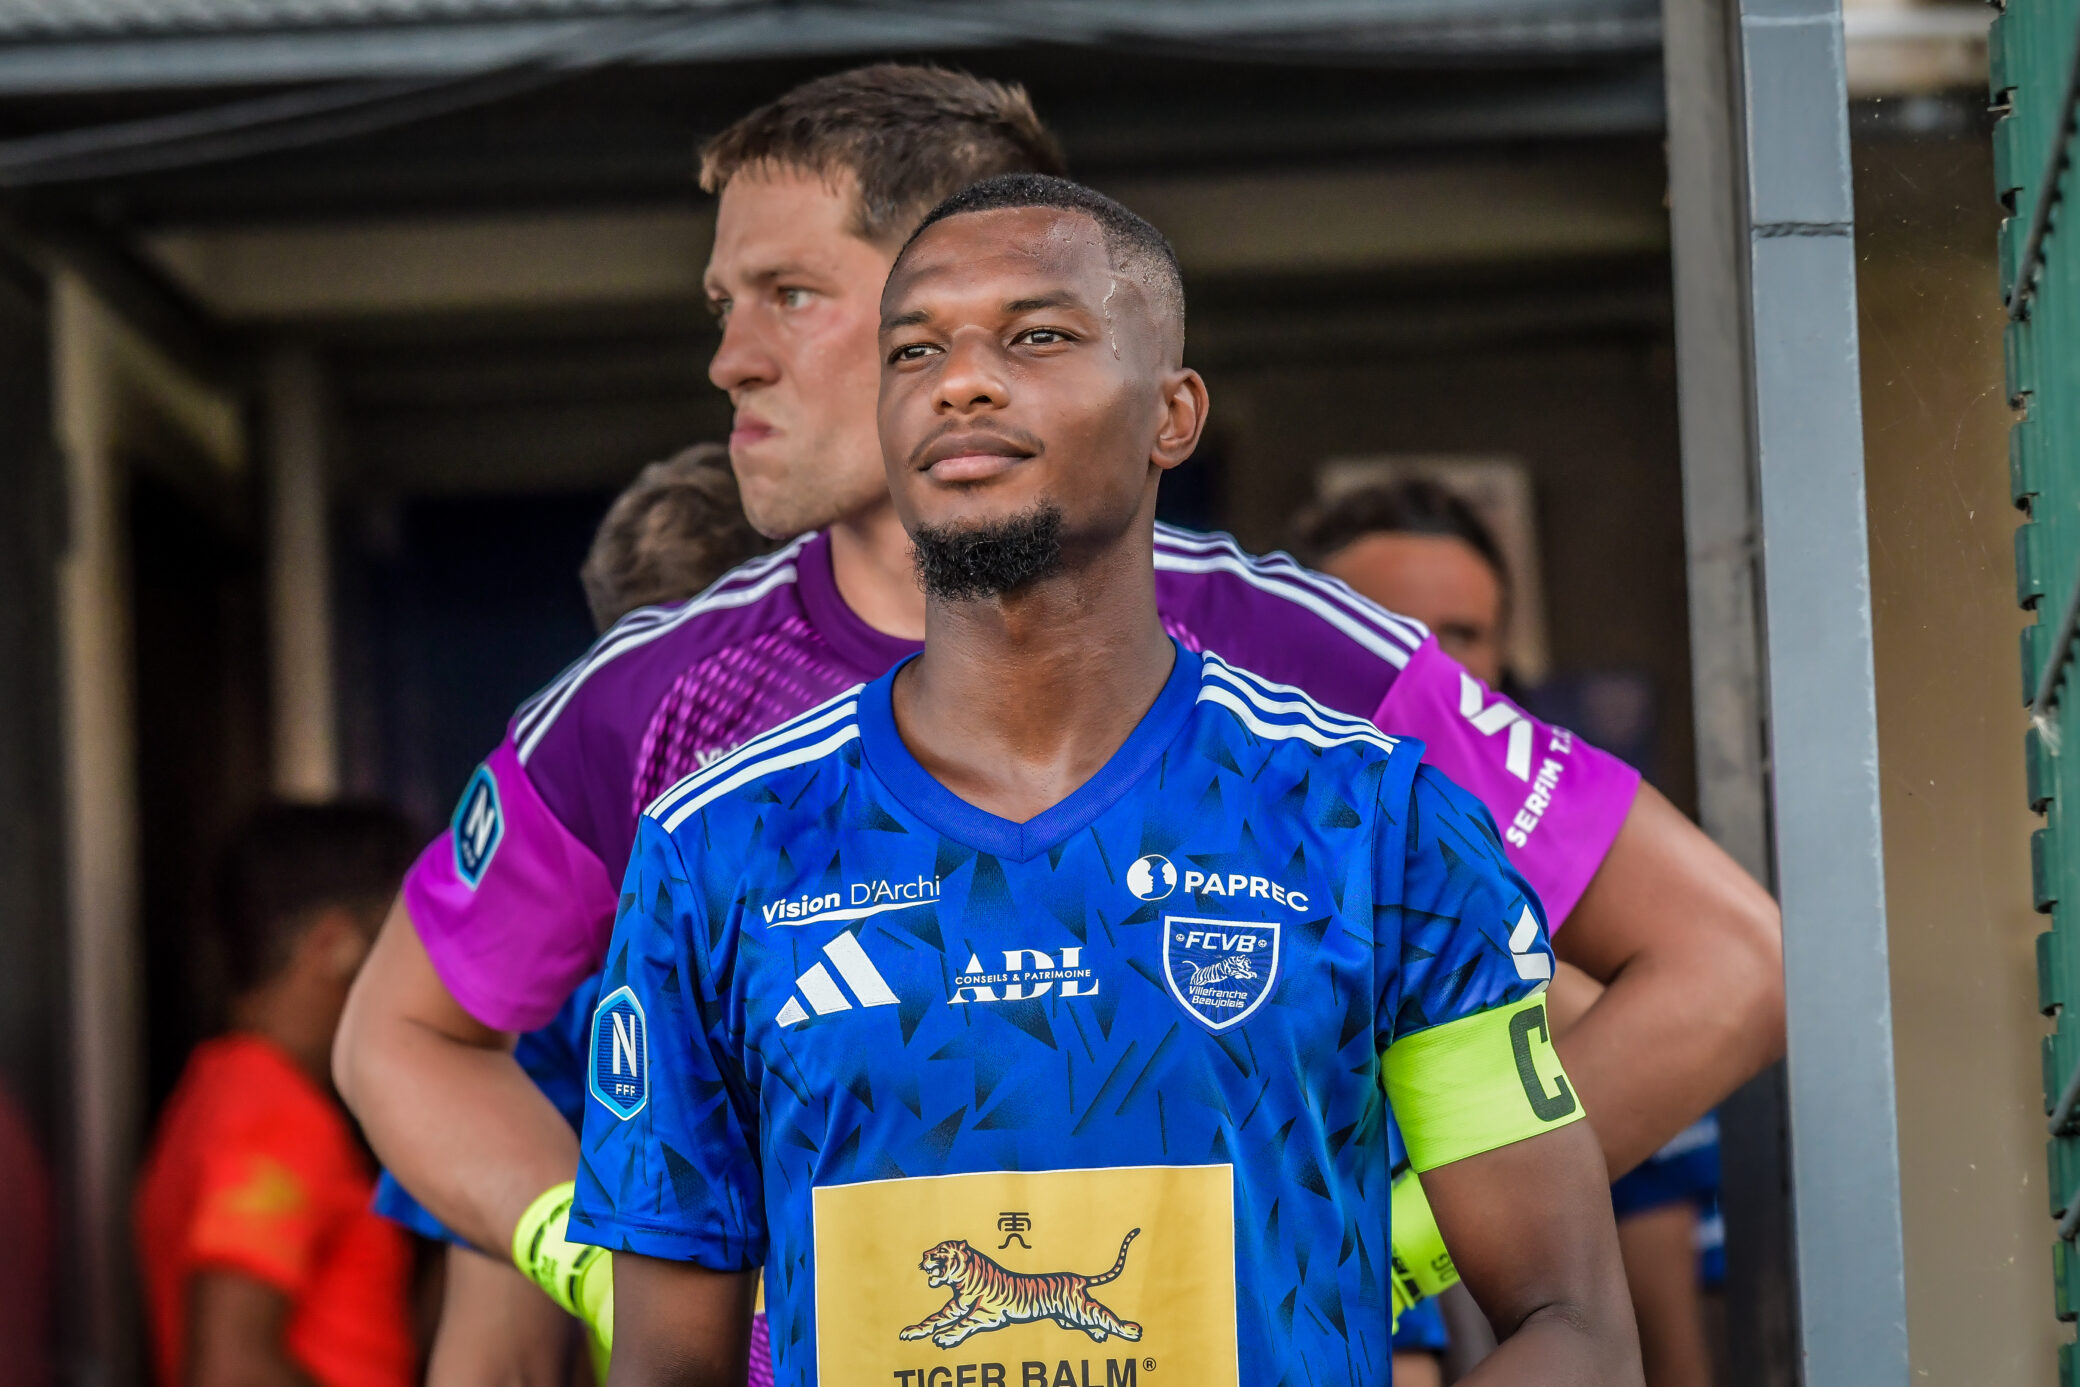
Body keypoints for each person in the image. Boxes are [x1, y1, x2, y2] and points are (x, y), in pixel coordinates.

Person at [335, 63, 1782, 1363]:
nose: (733, 358)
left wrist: (1367, 1240)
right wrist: (606, 1262)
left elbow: (1723, 961)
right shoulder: (655, 701)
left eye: (789, 294)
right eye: (727, 307)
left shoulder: (1303, 659)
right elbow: (400, 1036)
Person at [580, 170, 1642, 1386]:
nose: (960, 381)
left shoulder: (1375, 823)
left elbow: (1572, 1323)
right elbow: (666, 1366)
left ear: (1170, 416)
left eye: (1035, 335)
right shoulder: (719, 849)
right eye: (914, 350)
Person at [1296, 479, 1722, 1387]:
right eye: (1382, 633)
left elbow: (1665, 1346)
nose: (1424, 669)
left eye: (1461, 635)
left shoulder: (1611, 954)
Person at [370, 441, 774, 1386]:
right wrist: (598, 1271)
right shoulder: (561, 1000)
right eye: (631, 706)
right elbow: (496, 1357)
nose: (669, 757)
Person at [138, 803, 418, 1387]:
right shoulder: (272, 1110)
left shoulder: (227, 1087)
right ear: (331, 946)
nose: (434, 972)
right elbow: (230, 1371)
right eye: (414, 939)